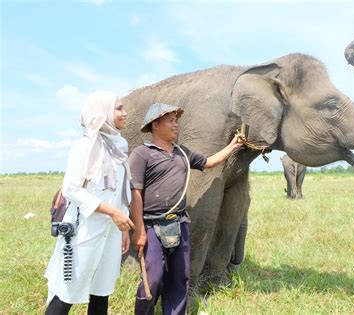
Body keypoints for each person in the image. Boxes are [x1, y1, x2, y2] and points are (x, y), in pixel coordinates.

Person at [130, 102, 243, 315]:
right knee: (152, 278)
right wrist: (139, 230)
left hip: (179, 223)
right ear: (155, 124)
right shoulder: (142, 154)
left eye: (176, 121)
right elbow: (135, 193)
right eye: (171, 121)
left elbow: (209, 162)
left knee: (179, 278)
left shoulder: (182, 152)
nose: (176, 125)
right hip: (153, 226)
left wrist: (233, 146)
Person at [44, 91, 135, 315]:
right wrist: (112, 212)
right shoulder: (85, 146)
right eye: (119, 108)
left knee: (102, 291)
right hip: (84, 230)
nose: (125, 113)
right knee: (67, 291)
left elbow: (120, 193)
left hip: (111, 232)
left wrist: (122, 225)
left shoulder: (119, 147)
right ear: (102, 112)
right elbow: (71, 189)